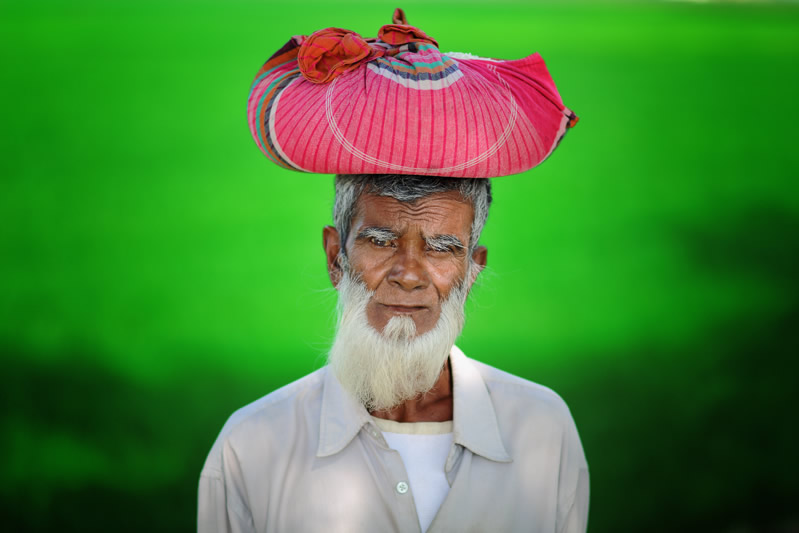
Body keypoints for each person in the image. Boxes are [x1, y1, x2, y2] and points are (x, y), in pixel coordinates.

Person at [200, 10, 588, 533]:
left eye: (442, 248)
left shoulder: (543, 431)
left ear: (473, 271)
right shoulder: (252, 446)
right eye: (380, 241)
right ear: (336, 257)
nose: (408, 274)